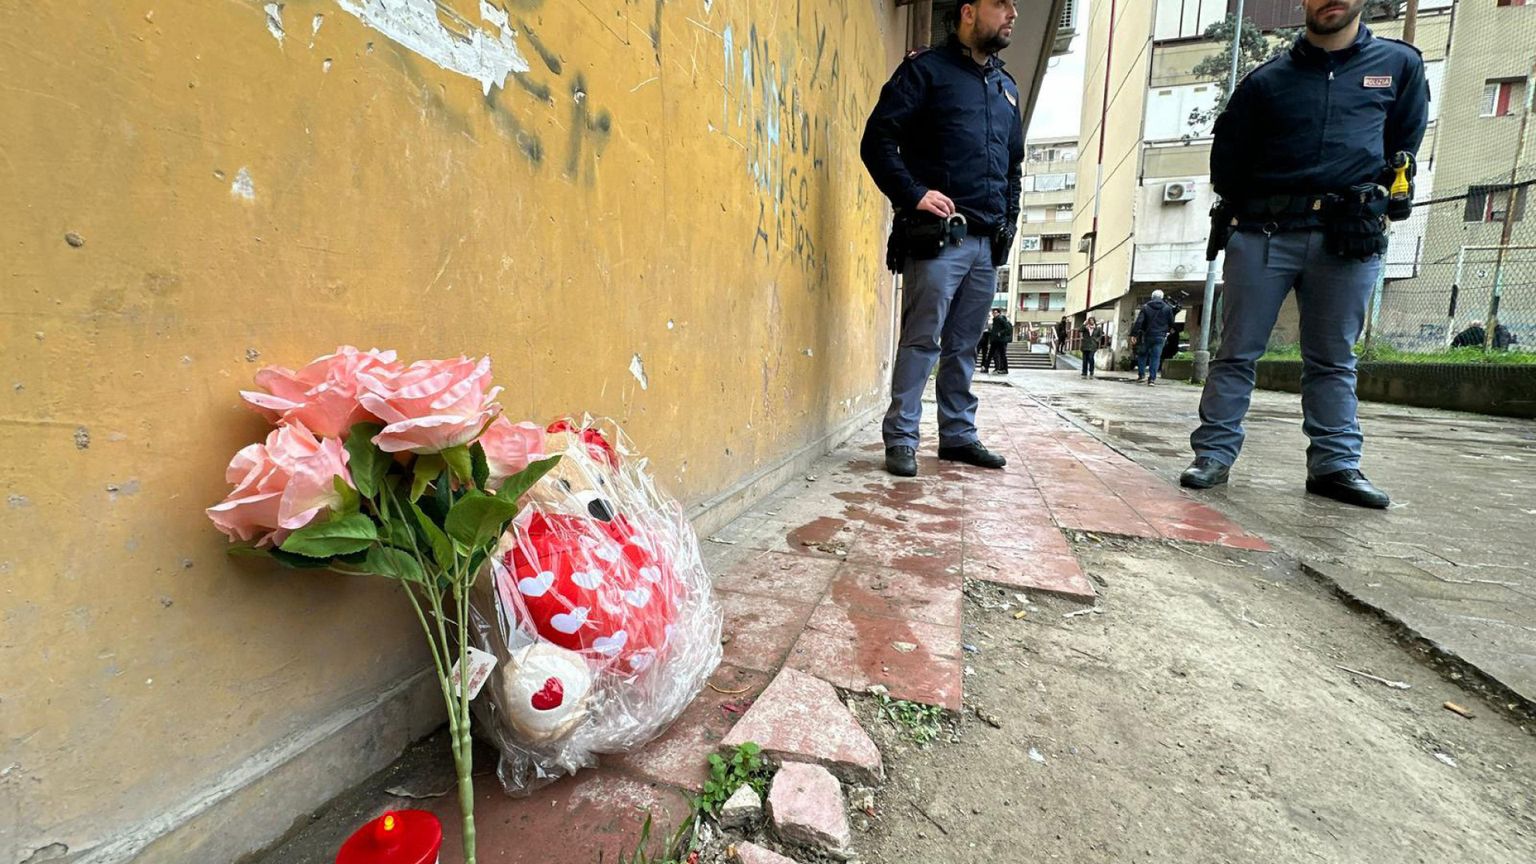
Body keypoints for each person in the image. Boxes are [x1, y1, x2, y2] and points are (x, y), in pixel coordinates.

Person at [1181, 0, 1428, 509]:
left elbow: (1404, 143)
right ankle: (1213, 455)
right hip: (1264, 232)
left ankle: (1335, 465)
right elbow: (1227, 163)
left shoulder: (1398, 66)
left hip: (1347, 235)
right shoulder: (1266, 82)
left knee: (1335, 357)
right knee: (1236, 352)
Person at [861, 0, 1023, 478]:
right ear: (969, 12)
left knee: (965, 344)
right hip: (938, 238)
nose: (1013, 13)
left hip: (984, 243)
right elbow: (877, 141)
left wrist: (1007, 226)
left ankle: (957, 435)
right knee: (922, 339)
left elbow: (1013, 168)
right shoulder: (926, 72)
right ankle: (902, 438)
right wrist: (913, 194)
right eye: (1002, 3)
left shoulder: (1005, 87)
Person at [1131, 290, 1178, 385]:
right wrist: (1171, 329)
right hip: (1160, 336)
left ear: (1152, 297)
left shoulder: (1146, 307)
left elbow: (1139, 322)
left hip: (1147, 335)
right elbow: (1171, 322)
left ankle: (1141, 375)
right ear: (1162, 297)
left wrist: (1134, 334)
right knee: (1156, 357)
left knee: (1142, 355)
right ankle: (1152, 379)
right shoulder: (1167, 308)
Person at [988, 308, 1014, 374]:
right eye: (993, 313)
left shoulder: (1000, 319)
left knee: (1002, 355)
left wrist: (1000, 333)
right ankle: (997, 368)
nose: (994, 314)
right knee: (993, 354)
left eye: (995, 312)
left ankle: (1004, 369)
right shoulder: (996, 320)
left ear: (999, 313)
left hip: (1001, 340)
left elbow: (1008, 328)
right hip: (996, 340)